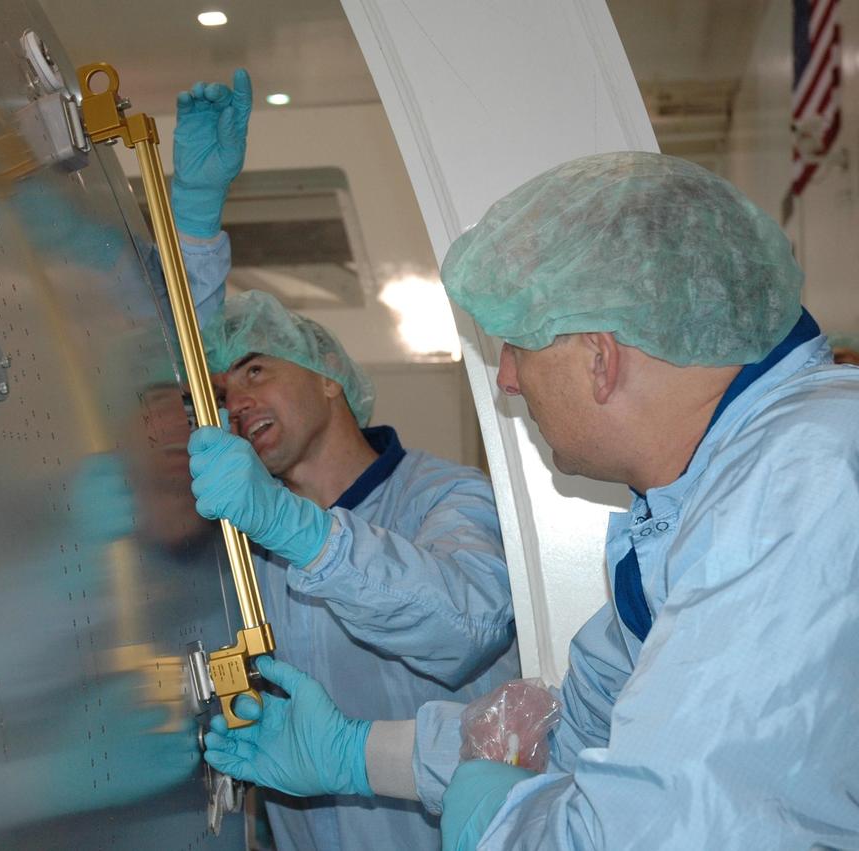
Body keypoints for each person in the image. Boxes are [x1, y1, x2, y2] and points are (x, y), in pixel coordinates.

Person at [200, 151, 859, 850]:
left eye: (516, 345)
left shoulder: (799, 479)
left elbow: (666, 829)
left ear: (599, 357)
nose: (508, 378)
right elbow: (570, 726)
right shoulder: (704, 498)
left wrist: (501, 826)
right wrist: (357, 753)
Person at [172, 71, 521, 850]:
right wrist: (192, 225)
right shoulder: (246, 547)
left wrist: (299, 530)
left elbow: (466, 622)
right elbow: (174, 374)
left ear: (329, 376)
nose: (238, 399)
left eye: (258, 369)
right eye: (226, 390)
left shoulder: (445, 495)